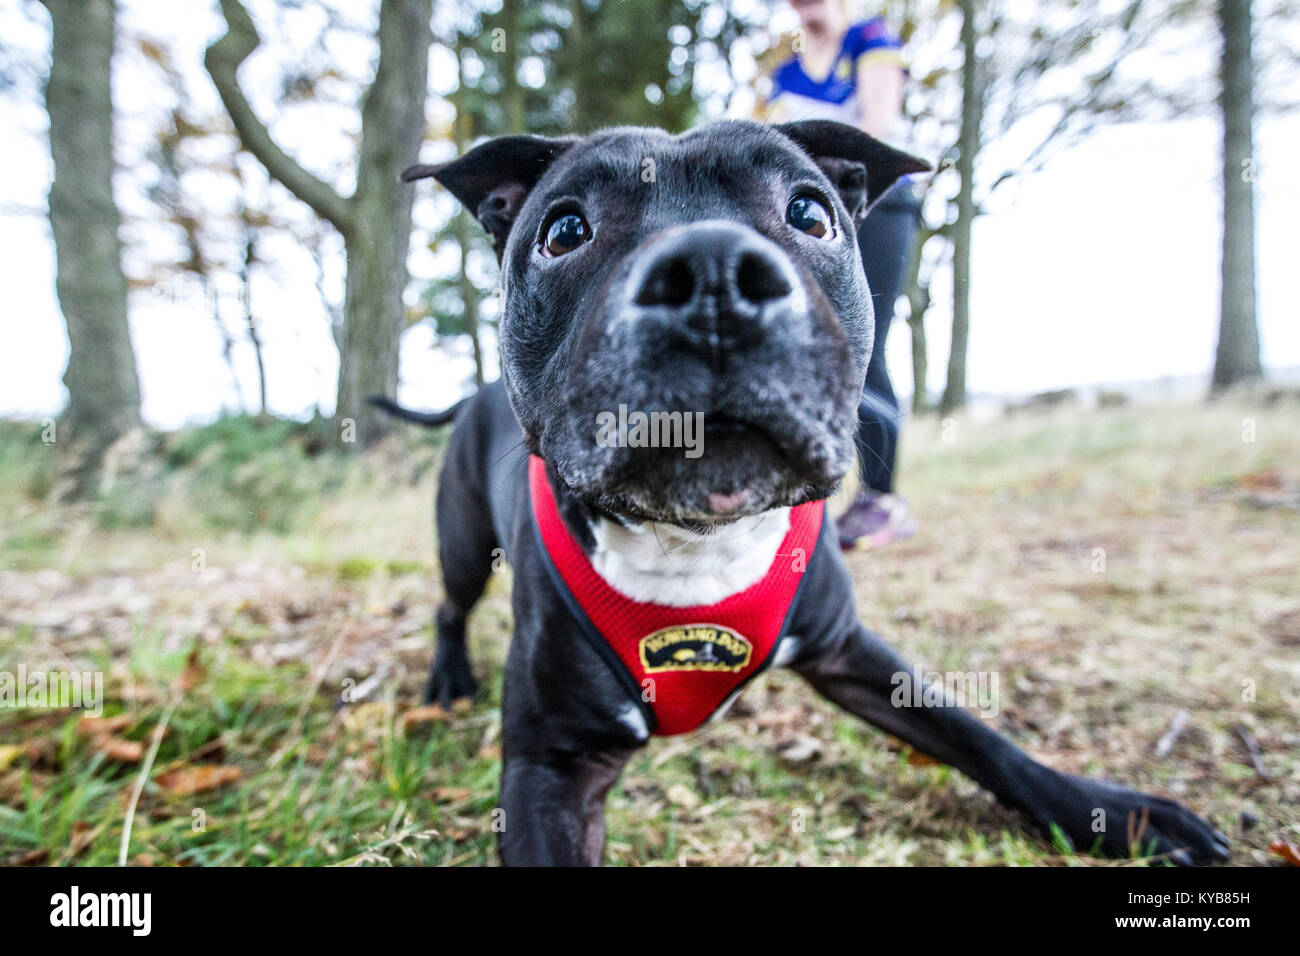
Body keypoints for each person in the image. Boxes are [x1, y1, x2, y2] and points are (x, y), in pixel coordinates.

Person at [765, 0, 921, 550]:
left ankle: (882, 497)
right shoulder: (784, 67)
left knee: (863, 345)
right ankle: (804, 490)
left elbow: (875, 131)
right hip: (805, 216)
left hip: (874, 208)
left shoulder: (872, 39)